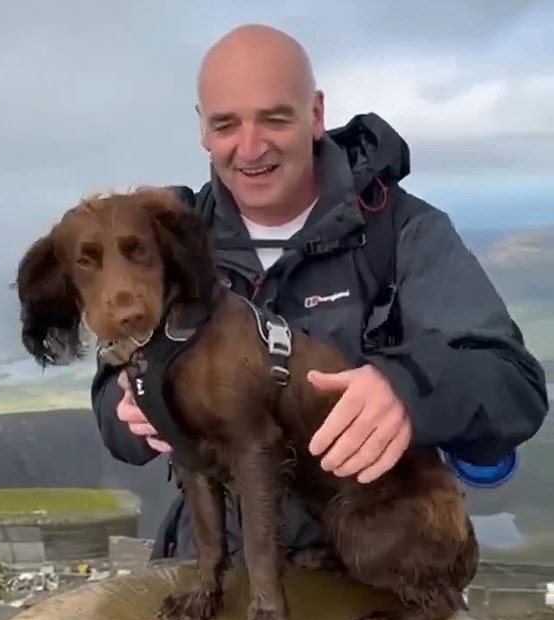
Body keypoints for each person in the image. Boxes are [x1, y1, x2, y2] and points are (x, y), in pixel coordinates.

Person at [90, 24, 549, 562]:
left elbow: (513, 386)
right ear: (202, 130)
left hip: (368, 566)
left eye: (274, 118)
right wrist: (132, 417)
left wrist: (407, 388)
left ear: (316, 114)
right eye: (227, 124)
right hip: (214, 571)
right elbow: (110, 399)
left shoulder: (401, 233)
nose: (251, 146)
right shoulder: (163, 243)